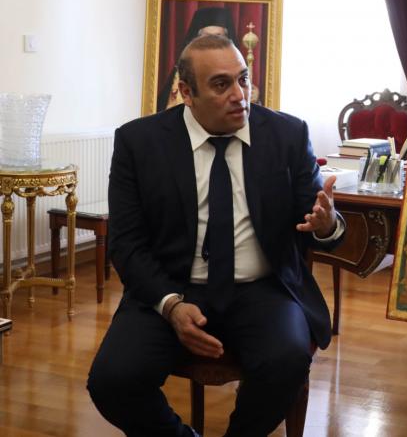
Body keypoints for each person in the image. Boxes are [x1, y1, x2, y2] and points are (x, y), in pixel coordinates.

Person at [87, 33, 344, 436]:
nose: (240, 95)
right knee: (112, 381)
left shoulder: (287, 135)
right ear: (186, 92)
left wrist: (326, 225)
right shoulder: (139, 142)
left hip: (264, 289)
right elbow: (126, 243)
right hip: (172, 287)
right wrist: (171, 306)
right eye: (221, 85)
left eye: (243, 79)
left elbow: (316, 221)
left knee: (287, 360)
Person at [157, 6, 259, 112]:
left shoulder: (238, 69)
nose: (212, 42)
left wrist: (253, 99)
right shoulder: (184, 72)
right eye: (206, 37)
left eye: (218, 36)